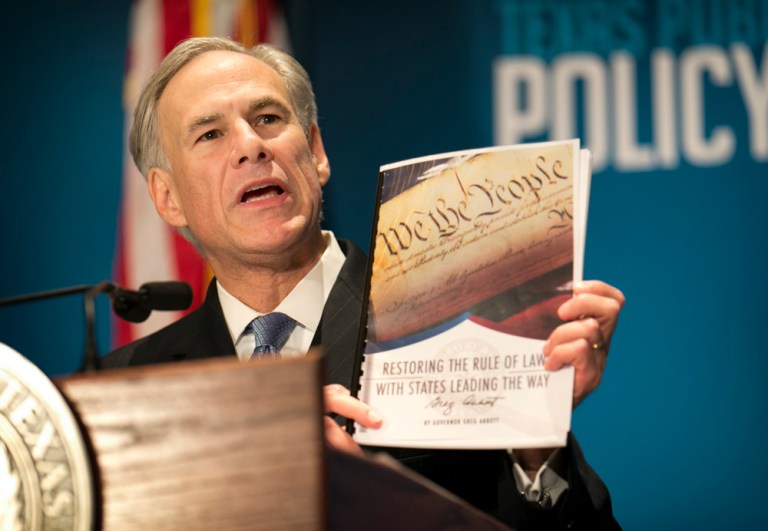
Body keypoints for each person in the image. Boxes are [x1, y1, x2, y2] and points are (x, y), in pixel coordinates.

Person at [103, 36, 625, 530]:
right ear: (166, 197)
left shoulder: (455, 314)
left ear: (316, 151)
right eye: (211, 133)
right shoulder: (128, 388)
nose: (250, 146)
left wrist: (535, 437)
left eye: (267, 118)